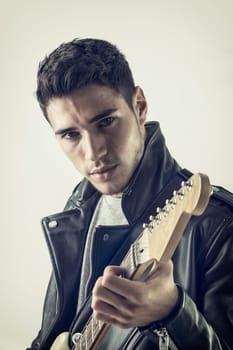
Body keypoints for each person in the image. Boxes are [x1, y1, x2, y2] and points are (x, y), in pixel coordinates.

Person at [28, 38, 233, 350]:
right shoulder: (79, 207)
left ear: (139, 106)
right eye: (71, 134)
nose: (93, 152)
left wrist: (174, 313)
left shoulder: (218, 224)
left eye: (106, 121)